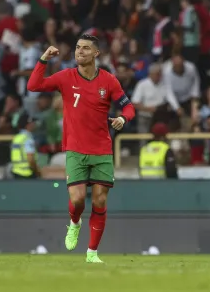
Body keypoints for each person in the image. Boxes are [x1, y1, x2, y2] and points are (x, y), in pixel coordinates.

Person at [27, 34, 136, 263]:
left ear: (96, 54)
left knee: (99, 201)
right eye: (78, 48)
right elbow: (34, 85)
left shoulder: (109, 81)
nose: (80, 52)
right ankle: (75, 223)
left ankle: (92, 253)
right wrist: (44, 59)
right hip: (76, 149)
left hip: (102, 150)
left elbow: (128, 108)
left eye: (86, 48)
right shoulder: (66, 77)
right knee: (77, 200)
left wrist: (123, 120)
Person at [10, 114, 40, 179]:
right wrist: (37, 172)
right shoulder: (27, 139)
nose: (34, 124)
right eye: (33, 122)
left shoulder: (17, 137)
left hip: (16, 172)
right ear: (28, 125)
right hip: (27, 174)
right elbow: (30, 159)